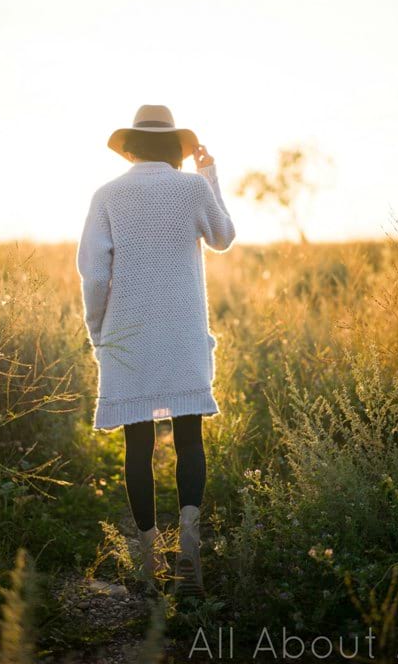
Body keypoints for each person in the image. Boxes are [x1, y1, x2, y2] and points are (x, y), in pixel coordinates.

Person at [76, 105, 236, 597]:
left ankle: (150, 561)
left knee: (137, 447)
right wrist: (208, 173)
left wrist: (100, 332)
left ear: (131, 147)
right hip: (183, 334)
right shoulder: (191, 188)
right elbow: (223, 238)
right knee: (190, 441)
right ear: (175, 148)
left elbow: (94, 273)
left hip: (129, 337)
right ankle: (190, 552)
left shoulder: (107, 195)